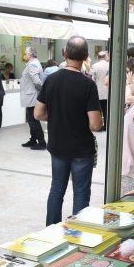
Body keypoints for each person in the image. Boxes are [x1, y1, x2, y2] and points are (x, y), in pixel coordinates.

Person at [34, 36, 102, 225]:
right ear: (86, 57)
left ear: (65, 53)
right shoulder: (88, 85)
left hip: (57, 146)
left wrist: (56, 115)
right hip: (81, 149)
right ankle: (76, 235)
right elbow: (95, 125)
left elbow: (38, 114)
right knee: (80, 193)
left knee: (56, 189)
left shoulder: (51, 79)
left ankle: (51, 231)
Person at [20, 47, 46, 150]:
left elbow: (37, 81)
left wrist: (42, 94)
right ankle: (33, 140)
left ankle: (42, 142)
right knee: (31, 120)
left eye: (25, 53)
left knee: (33, 120)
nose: (24, 55)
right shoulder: (33, 63)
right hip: (31, 95)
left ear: (30, 54)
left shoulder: (32, 64)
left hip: (32, 96)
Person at [91, 51, 109, 130]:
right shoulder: (109, 65)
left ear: (98, 57)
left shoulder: (94, 66)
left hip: (98, 90)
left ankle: (100, 125)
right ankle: (106, 125)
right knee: (106, 109)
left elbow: (93, 78)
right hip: (107, 90)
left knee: (98, 109)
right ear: (105, 56)